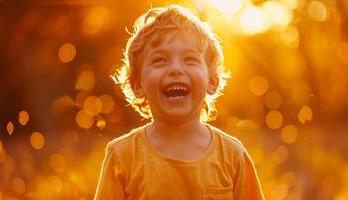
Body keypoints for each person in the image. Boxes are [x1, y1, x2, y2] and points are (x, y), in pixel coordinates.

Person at [94, 4, 265, 200]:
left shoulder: (232, 155)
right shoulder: (122, 155)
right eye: (160, 60)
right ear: (137, 84)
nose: (175, 69)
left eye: (189, 59)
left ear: (212, 81)